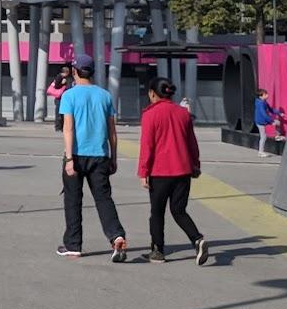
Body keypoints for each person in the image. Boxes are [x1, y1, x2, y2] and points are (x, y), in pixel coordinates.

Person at [57, 60, 130, 260]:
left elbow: (68, 129)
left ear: (74, 71)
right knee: (103, 199)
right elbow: (112, 131)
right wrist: (113, 157)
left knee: (73, 200)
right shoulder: (105, 96)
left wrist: (69, 159)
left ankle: (73, 245)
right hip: (100, 155)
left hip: (76, 155)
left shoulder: (69, 95)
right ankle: (116, 235)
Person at [136, 78, 208, 264]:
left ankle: (158, 251)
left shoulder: (150, 114)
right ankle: (197, 239)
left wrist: (143, 172)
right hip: (183, 170)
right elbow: (192, 142)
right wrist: (195, 164)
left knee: (157, 212)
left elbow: (147, 146)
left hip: (160, 171)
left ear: (152, 93)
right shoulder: (183, 113)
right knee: (179, 210)